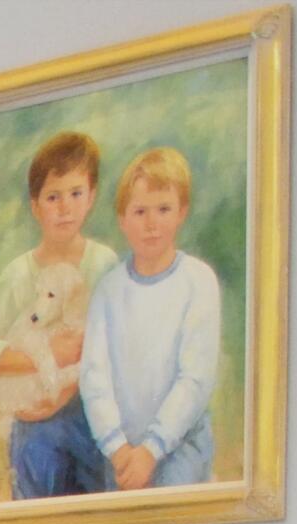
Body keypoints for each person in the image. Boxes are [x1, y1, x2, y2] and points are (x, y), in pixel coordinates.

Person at [0, 130, 120, 498]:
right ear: (35, 205)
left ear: (91, 197)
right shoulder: (17, 275)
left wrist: (67, 385)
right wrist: (40, 358)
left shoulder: (103, 265)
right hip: (33, 424)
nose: (65, 207)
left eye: (75, 194)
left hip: (92, 418)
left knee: (96, 514)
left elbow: (114, 341)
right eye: (53, 197)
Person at [80, 145, 223, 490]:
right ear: (122, 219)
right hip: (120, 454)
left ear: (182, 212)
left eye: (163, 209)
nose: (152, 223)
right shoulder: (109, 290)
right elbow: (94, 377)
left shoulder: (198, 280)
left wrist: (152, 448)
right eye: (140, 211)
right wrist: (118, 449)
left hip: (180, 446)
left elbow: (195, 379)